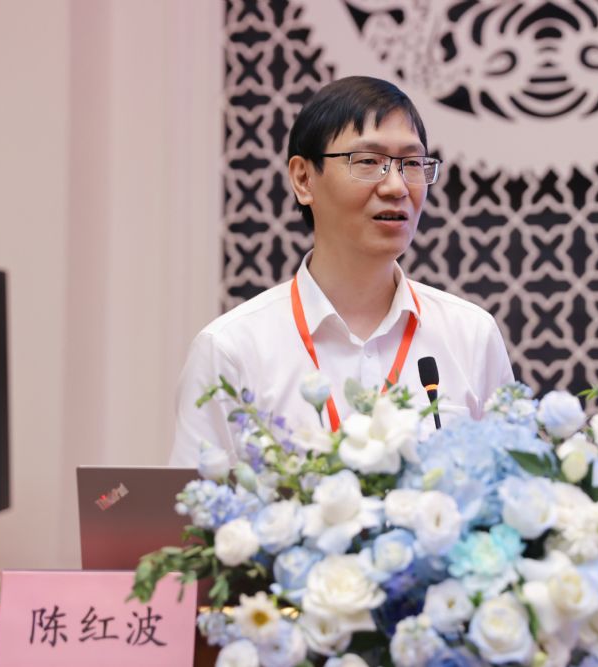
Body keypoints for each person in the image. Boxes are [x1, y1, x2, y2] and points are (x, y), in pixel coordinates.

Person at [169, 76, 513, 467]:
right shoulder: (231, 351)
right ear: (303, 179)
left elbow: (510, 486)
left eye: (412, 164)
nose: (397, 186)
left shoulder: (472, 335)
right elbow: (194, 504)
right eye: (368, 162)